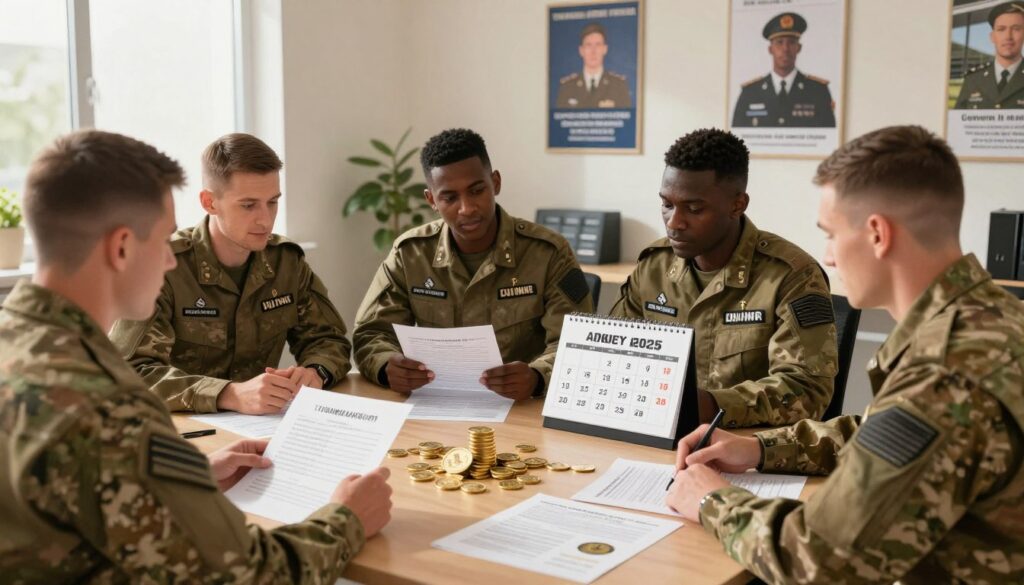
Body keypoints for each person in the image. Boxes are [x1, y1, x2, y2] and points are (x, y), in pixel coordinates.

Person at [0, 130, 393, 582]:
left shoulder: (21, 345)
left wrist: (188, 473)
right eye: (163, 240)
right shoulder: (111, 411)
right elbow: (247, 575)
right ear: (122, 247)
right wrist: (346, 519)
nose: (169, 260)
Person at [667, 125, 1024, 584]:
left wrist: (708, 499)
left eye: (831, 234)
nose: (829, 258)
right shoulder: (991, 319)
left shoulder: (944, 373)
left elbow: (821, 561)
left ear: (877, 234)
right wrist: (758, 447)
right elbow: (882, 431)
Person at [110, 133, 352, 415]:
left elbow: (329, 340)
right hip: (184, 432)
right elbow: (128, 375)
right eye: (248, 205)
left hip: (265, 426)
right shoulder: (165, 267)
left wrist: (315, 371)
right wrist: (228, 393)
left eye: (272, 202)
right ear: (209, 202)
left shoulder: (286, 263)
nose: (265, 219)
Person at [610, 128, 837, 427]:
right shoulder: (653, 267)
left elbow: (807, 391)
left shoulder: (790, 275)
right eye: (667, 204)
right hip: (653, 438)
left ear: (737, 205)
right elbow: (612, 358)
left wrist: (711, 405)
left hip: (744, 451)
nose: (674, 222)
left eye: (693, 208)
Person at [354, 128, 593, 399]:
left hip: (522, 407)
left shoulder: (548, 252)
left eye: (477, 190)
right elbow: (371, 333)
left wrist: (538, 376)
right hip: (437, 402)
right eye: (449, 197)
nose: (466, 208)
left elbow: (577, 340)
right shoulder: (410, 254)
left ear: (496, 183)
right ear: (431, 199)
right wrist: (386, 366)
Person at [732, 12, 836, 128]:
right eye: (779, 42)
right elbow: (736, 137)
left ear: (799, 48)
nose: (785, 49)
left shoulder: (818, 91)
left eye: (791, 42)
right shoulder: (750, 93)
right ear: (770, 49)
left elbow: (829, 136)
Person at [955, 1, 1024, 109]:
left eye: (1016, 29)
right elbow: (957, 123)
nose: (1008, 36)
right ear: (992, 36)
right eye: (1001, 29)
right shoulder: (973, 80)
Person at [556, 22, 633, 109]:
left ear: (605, 49)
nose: (593, 51)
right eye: (588, 45)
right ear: (581, 50)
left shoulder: (619, 86)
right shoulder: (567, 87)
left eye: (598, 45)